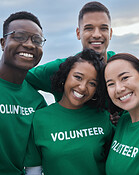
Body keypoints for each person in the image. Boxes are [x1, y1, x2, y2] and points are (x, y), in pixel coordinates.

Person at [24, 49, 114, 175]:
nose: (82, 87)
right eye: (78, 77)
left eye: (92, 83)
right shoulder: (39, 119)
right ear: (65, 76)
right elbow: (33, 170)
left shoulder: (103, 117)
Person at [25, 1, 115, 101]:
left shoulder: (122, 67)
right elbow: (20, 79)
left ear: (110, 33)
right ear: (78, 33)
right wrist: (38, 109)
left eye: (103, 28)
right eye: (89, 28)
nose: (97, 34)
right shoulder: (60, 68)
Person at [0, 11, 47, 174]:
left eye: (37, 40)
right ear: (3, 42)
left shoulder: (37, 102)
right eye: (19, 36)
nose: (29, 45)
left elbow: (34, 164)